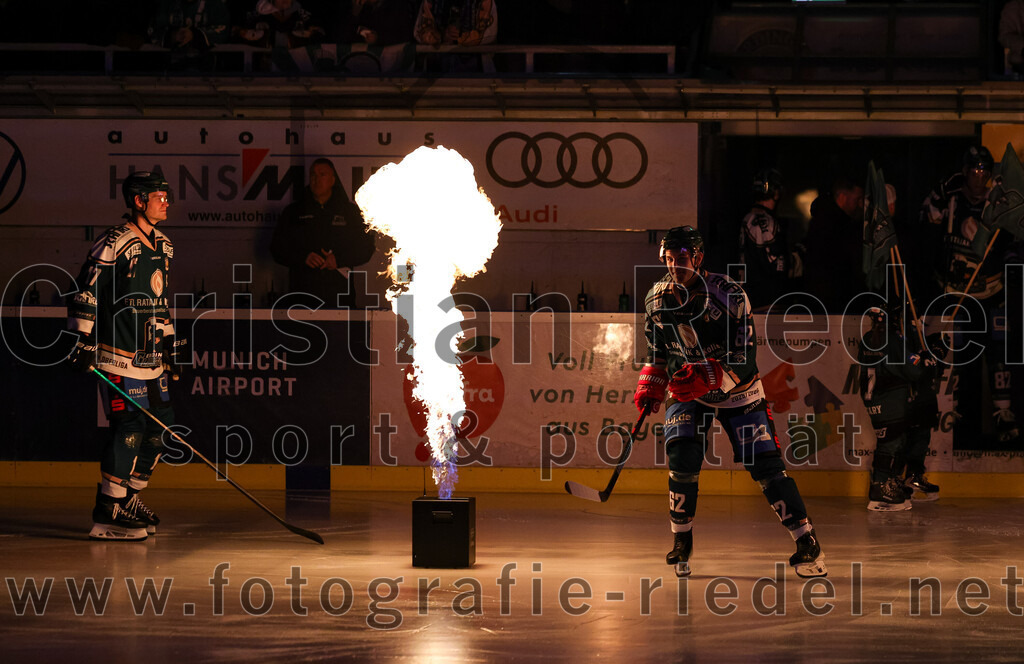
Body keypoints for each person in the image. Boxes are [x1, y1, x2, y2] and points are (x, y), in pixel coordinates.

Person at [634, 225, 827, 579]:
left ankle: (806, 539)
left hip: (739, 392)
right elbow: (657, 353)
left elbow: (744, 358)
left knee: (765, 465)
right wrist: (651, 383)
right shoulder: (655, 299)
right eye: (668, 259)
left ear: (698, 258)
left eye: (681, 259)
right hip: (687, 392)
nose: (675, 267)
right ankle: (681, 540)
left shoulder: (731, 296)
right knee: (682, 456)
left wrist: (707, 377)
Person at [66, 172, 190, 541]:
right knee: (130, 427)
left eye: (167, 196)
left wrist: (170, 343)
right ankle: (107, 510)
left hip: (151, 357)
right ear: (138, 201)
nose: (166, 201)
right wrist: (83, 341)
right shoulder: (114, 241)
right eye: (159, 196)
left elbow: (160, 300)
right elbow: (86, 289)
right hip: (117, 355)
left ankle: (129, 499)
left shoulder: (165, 245)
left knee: (161, 427)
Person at [920, 145, 1017, 445]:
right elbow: (927, 223)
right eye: (974, 170)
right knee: (958, 356)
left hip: (990, 291)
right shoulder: (950, 198)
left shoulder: (998, 203)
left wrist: (1005, 255)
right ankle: (955, 416)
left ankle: (1004, 414)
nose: (980, 177)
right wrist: (937, 195)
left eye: (984, 171)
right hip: (955, 293)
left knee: (999, 352)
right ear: (964, 171)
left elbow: (1011, 240)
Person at [857, 308, 943, 512]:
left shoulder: (868, 338)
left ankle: (886, 485)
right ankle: (879, 488)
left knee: (889, 441)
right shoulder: (893, 339)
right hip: (890, 398)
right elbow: (913, 370)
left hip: (873, 398)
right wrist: (929, 360)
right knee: (892, 443)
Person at [271, 158, 376, 307]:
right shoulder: (293, 211)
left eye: (322, 175)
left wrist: (337, 260)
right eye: (313, 175)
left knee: (340, 330)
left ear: (333, 180)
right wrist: (303, 257)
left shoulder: (350, 212)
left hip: (340, 296)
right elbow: (277, 248)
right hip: (302, 295)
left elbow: (366, 248)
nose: (317, 179)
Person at [737, 168, 804, 310]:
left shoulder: (750, 217)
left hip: (757, 296)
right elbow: (775, 263)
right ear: (776, 192)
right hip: (766, 299)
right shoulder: (762, 221)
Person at [803, 175, 865, 312]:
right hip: (832, 300)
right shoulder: (838, 226)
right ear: (842, 197)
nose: (860, 205)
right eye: (857, 199)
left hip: (823, 298)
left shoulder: (824, 220)